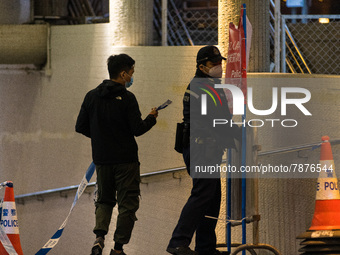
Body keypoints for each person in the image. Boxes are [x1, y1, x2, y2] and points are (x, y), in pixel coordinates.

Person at [76, 54, 158, 255]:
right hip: (126, 161)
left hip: (102, 160)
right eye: (131, 73)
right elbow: (137, 129)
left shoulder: (91, 96)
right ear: (123, 73)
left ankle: (99, 239)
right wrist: (152, 118)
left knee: (104, 200)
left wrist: (100, 137)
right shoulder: (128, 98)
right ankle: (118, 249)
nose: (131, 77)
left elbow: (80, 126)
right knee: (127, 204)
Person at [167, 46, 240, 255]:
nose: (219, 67)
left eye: (220, 62)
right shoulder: (203, 87)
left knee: (212, 198)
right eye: (214, 64)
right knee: (202, 195)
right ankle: (178, 242)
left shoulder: (207, 85)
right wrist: (238, 134)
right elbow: (217, 120)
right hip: (201, 147)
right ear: (202, 66)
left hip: (205, 148)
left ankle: (205, 248)